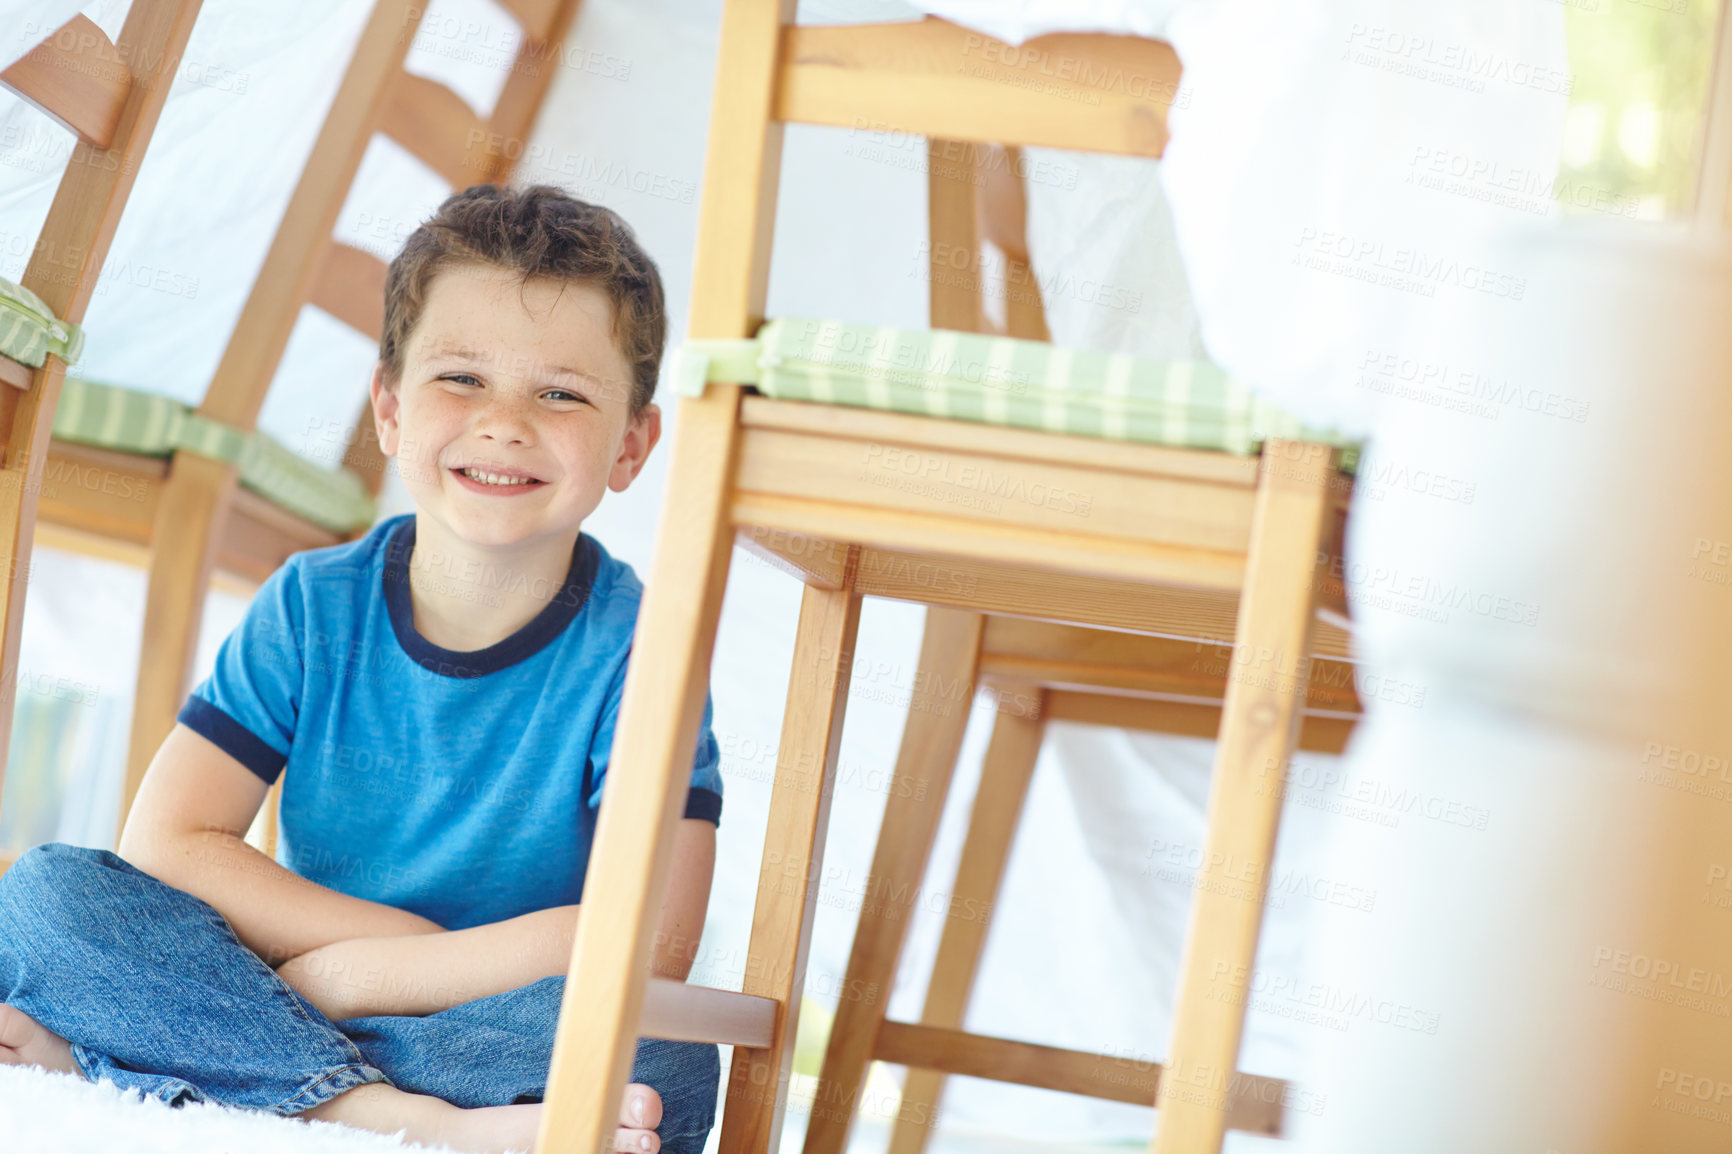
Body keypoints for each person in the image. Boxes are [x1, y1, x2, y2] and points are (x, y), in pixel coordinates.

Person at [0, 184, 724, 1154]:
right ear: (388, 406)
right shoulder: (312, 603)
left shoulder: (645, 647)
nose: (504, 421)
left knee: (666, 1059)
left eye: (561, 392)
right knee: (47, 894)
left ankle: (172, 1065)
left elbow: (649, 938)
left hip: (441, 1015)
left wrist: (347, 977)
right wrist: (361, 956)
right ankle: (392, 1118)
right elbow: (170, 841)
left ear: (631, 443)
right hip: (301, 988)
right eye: (459, 378)